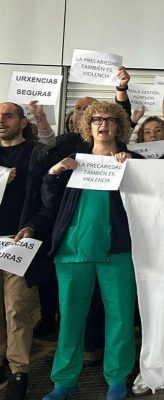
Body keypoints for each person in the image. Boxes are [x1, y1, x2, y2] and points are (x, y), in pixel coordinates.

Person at [41, 101, 143, 400]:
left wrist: (131, 169)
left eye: (111, 120)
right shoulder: (71, 160)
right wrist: (55, 171)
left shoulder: (131, 161)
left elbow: (150, 199)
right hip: (73, 252)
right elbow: (49, 201)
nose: (103, 125)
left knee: (121, 318)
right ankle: (64, 381)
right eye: (97, 119)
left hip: (118, 251)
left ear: (119, 127)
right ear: (88, 125)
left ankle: (117, 379)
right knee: (70, 320)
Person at [0, 102, 55, 400]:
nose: (1, 121)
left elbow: (49, 203)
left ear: (22, 123)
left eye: (8, 115)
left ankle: (18, 370)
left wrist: (33, 227)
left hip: (18, 243)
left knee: (17, 309)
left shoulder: (38, 154)